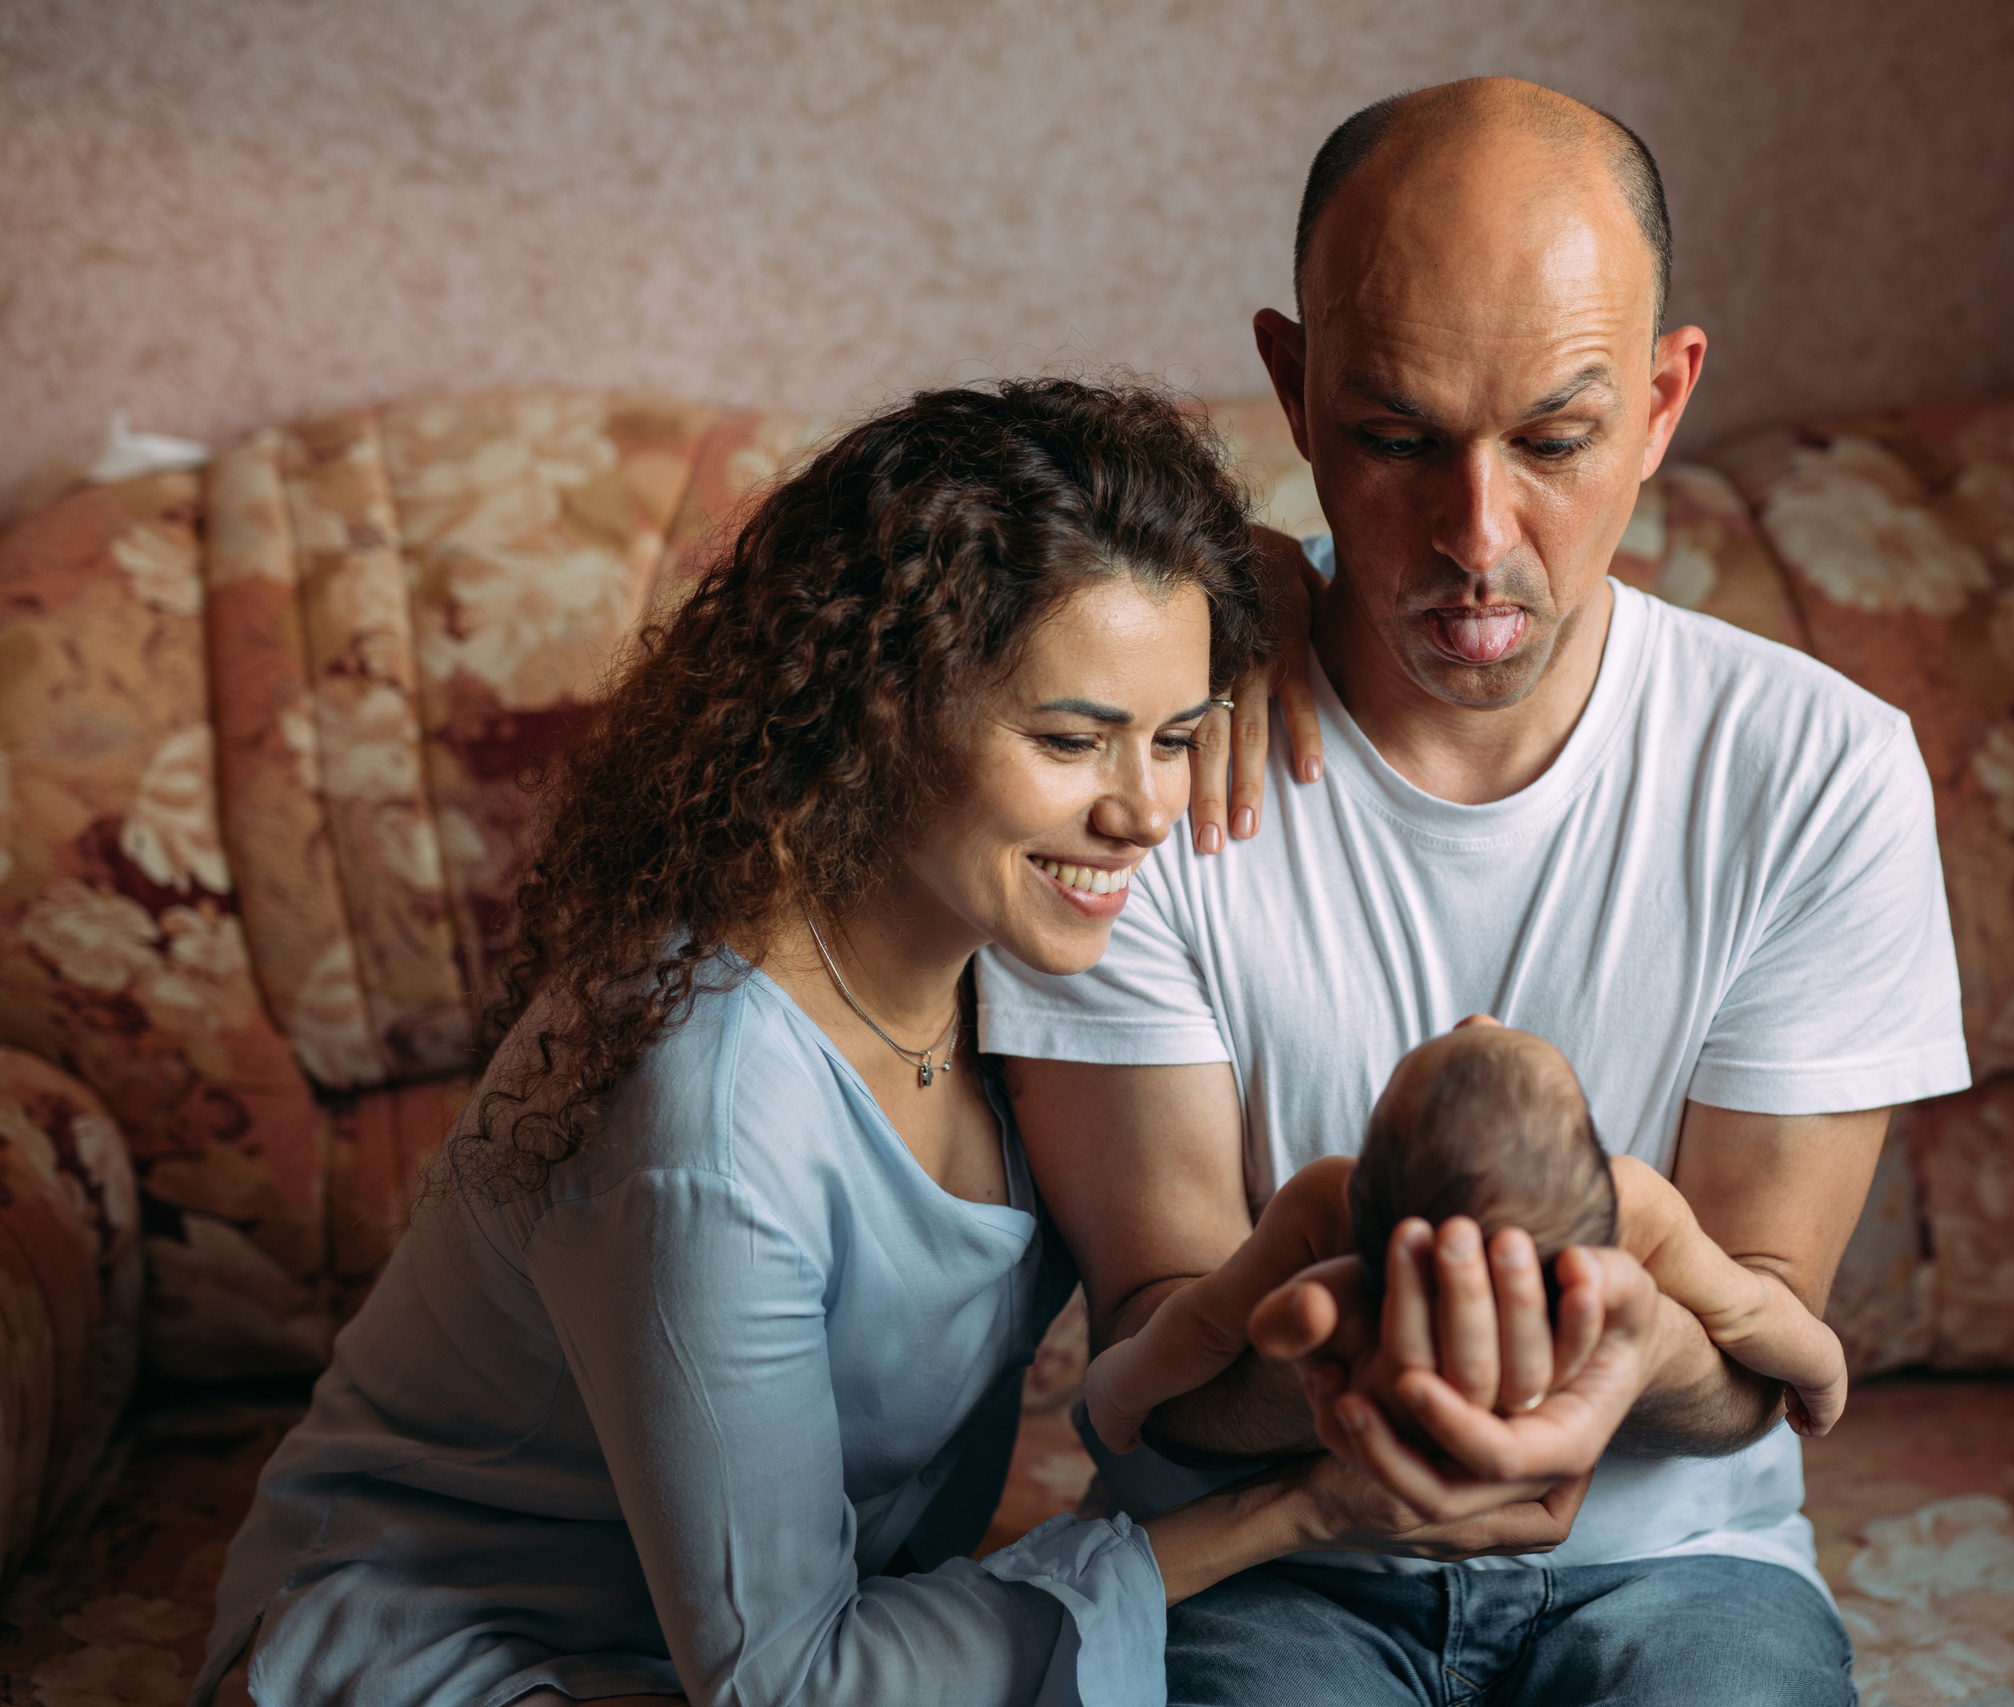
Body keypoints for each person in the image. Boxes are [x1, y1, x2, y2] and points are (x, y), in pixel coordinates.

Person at [193, 379, 1538, 1707]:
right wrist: (1295, 1511)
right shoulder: (706, 1109)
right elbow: (788, 1679)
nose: (1143, 811)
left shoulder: (1011, 968)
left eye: (1178, 739)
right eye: (1074, 739)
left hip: (791, 1641)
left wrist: (1303, 1272)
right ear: (882, 707)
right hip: (472, 1653)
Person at [983, 78, 1971, 1705]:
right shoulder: (1140, 771)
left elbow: (1762, 1344)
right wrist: (1339, 1378)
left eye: (1558, 438)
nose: (1475, 535)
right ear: (1293, 391)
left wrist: (1633, 1353)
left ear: (1663, 402)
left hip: (1679, 1571)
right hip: (1254, 1560)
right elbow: (1157, 1340)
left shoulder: (1817, 775)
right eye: (1395, 438)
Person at [1082, 1016, 1849, 1458]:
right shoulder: (1634, 1205)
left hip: (1378, 1383)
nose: (1479, 1018)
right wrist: (1820, 1377)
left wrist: (1119, 1392)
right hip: (1379, 1516)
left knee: (1265, 1310)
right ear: (1591, 1156)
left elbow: (1207, 1322)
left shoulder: (1326, 1199)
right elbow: (1749, 1311)